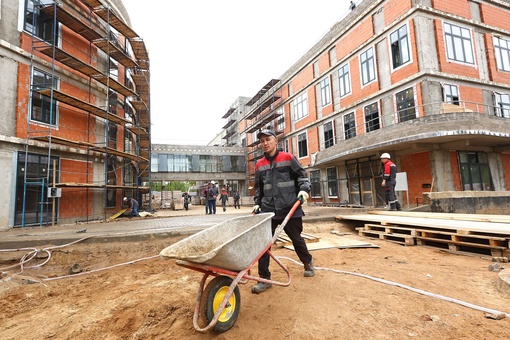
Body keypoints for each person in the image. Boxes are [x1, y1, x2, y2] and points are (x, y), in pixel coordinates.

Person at [251, 129, 314, 294]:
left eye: (268, 140)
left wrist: (304, 190)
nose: (265, 143)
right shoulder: (259, 164)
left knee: (296, 239)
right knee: (264, 244)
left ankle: (307, 262)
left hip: (289, 207)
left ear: (275, 141)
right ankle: (264, 278)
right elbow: (259, 188)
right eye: (262, 141)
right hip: (269, 209)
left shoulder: (288, 158)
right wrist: (257, 203)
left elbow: (302, 176)